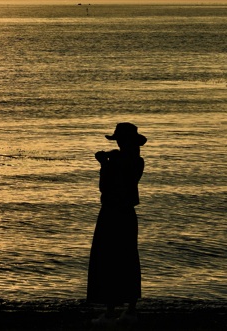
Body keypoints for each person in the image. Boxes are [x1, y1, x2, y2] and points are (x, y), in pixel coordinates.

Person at [87, 122, 147, 327]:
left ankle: (111, 312)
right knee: (128, 258)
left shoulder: (116, 162)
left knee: (108, 259)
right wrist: (110, 160)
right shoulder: (138, 161)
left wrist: (104, 163)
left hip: (112, 213)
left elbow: (105, 186)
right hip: (128, 214)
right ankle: (131, 310)